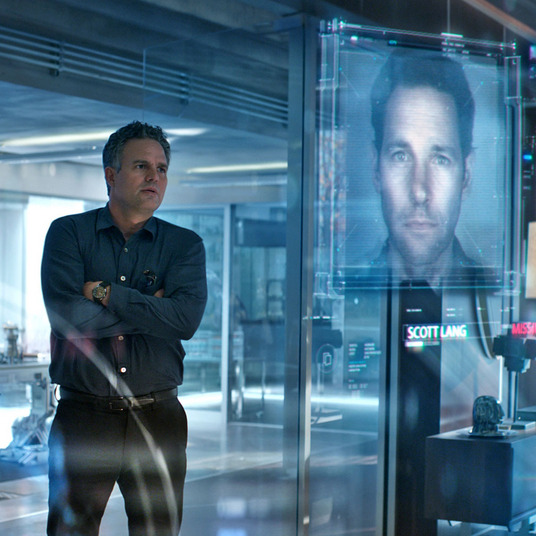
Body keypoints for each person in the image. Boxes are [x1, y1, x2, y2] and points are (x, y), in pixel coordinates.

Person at [41, 121, 207, 536]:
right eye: (141, 166)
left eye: (162, 168)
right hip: (84, 418)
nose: (155, 177)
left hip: (159, 418)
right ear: (111, 175)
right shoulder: (68, 233)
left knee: (157, 530)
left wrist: (104, 293)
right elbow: (68, 319)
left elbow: (185, 321)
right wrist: (153, 308)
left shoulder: (184, 245)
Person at [369, 51, 477, 286]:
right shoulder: (345, 292)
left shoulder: (498, 291)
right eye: (401, 156)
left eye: (440, 160)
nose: (419, 192)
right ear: (376, 169)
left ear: (466, 175)